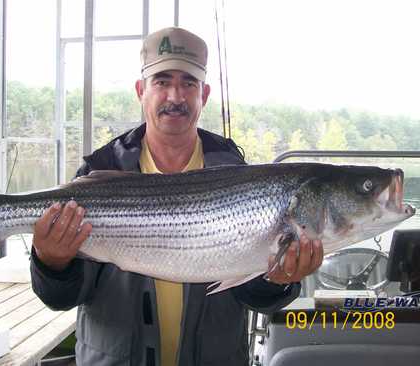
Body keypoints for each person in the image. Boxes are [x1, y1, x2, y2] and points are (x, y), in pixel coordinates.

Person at [31, 27, 323, 366]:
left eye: (188, 83)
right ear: (141, 90)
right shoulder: (98, 172)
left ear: (205, 94)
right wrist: (51, 263)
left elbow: (255, 298)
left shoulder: (239, 176)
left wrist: (276, 281)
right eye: (162, 81)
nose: (175, 96)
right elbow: (63, 298)